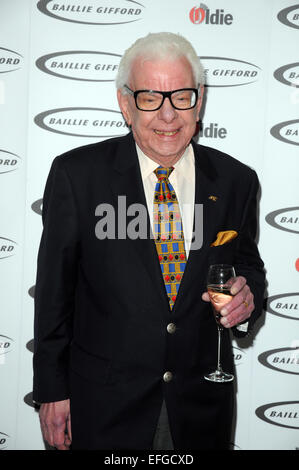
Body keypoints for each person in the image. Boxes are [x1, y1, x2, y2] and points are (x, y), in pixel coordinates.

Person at [33, 32, 265, 451]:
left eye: (181, 97)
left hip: (201, 410)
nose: (168, 115)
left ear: (200, 99)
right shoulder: (77, 176)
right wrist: (51, 390)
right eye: (149, 98)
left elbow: (248, 265)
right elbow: (54, 294)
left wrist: (247, 297)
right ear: (125, 104)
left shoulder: (237, 181)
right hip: (103, 407)